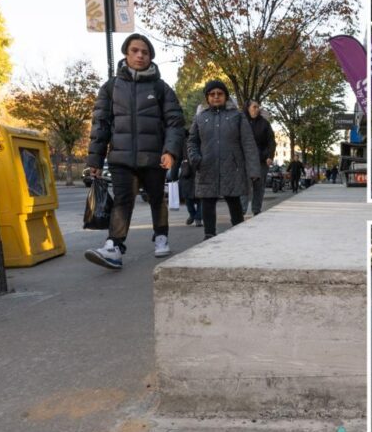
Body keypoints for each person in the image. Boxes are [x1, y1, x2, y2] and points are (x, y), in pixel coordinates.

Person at [85, 33, 185, 269]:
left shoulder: (161, 88)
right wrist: (95, 159)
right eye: (135, 51)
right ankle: (114, 247)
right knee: (122, 201)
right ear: (126, 54)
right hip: (121, 158)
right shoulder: (110, 88)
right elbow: (100, 124)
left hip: (153, 158)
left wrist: (170, 151)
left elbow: (175, 122)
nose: (140, 55)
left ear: (151, 57)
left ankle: (161, 236)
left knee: (156, 199)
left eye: (145, 52)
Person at [187, 80, 260, 240]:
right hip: (206, 166)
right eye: (212, 94)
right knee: (207, 201)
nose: (216, 97)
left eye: (219, 94)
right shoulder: (200, 118)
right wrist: (195, 157)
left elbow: (248, 143)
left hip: (232, 167)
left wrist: (253, 170)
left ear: (226, 96)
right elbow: (192, 140)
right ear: (207, 98)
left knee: (234, 200)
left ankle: (239, 233)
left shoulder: (237, 116)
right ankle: (209, 234)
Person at [239, 99, 276, 216]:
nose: (257, 109)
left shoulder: (264, 123)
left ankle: (256, 210)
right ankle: (241, 211)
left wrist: (270, 156)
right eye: (254, 107)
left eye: (258, 107)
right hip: (245, 160)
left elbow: (271, 141)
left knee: (259, 187)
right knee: (245, 186)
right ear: (248, 108)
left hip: (261, 159)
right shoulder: (240, 121)